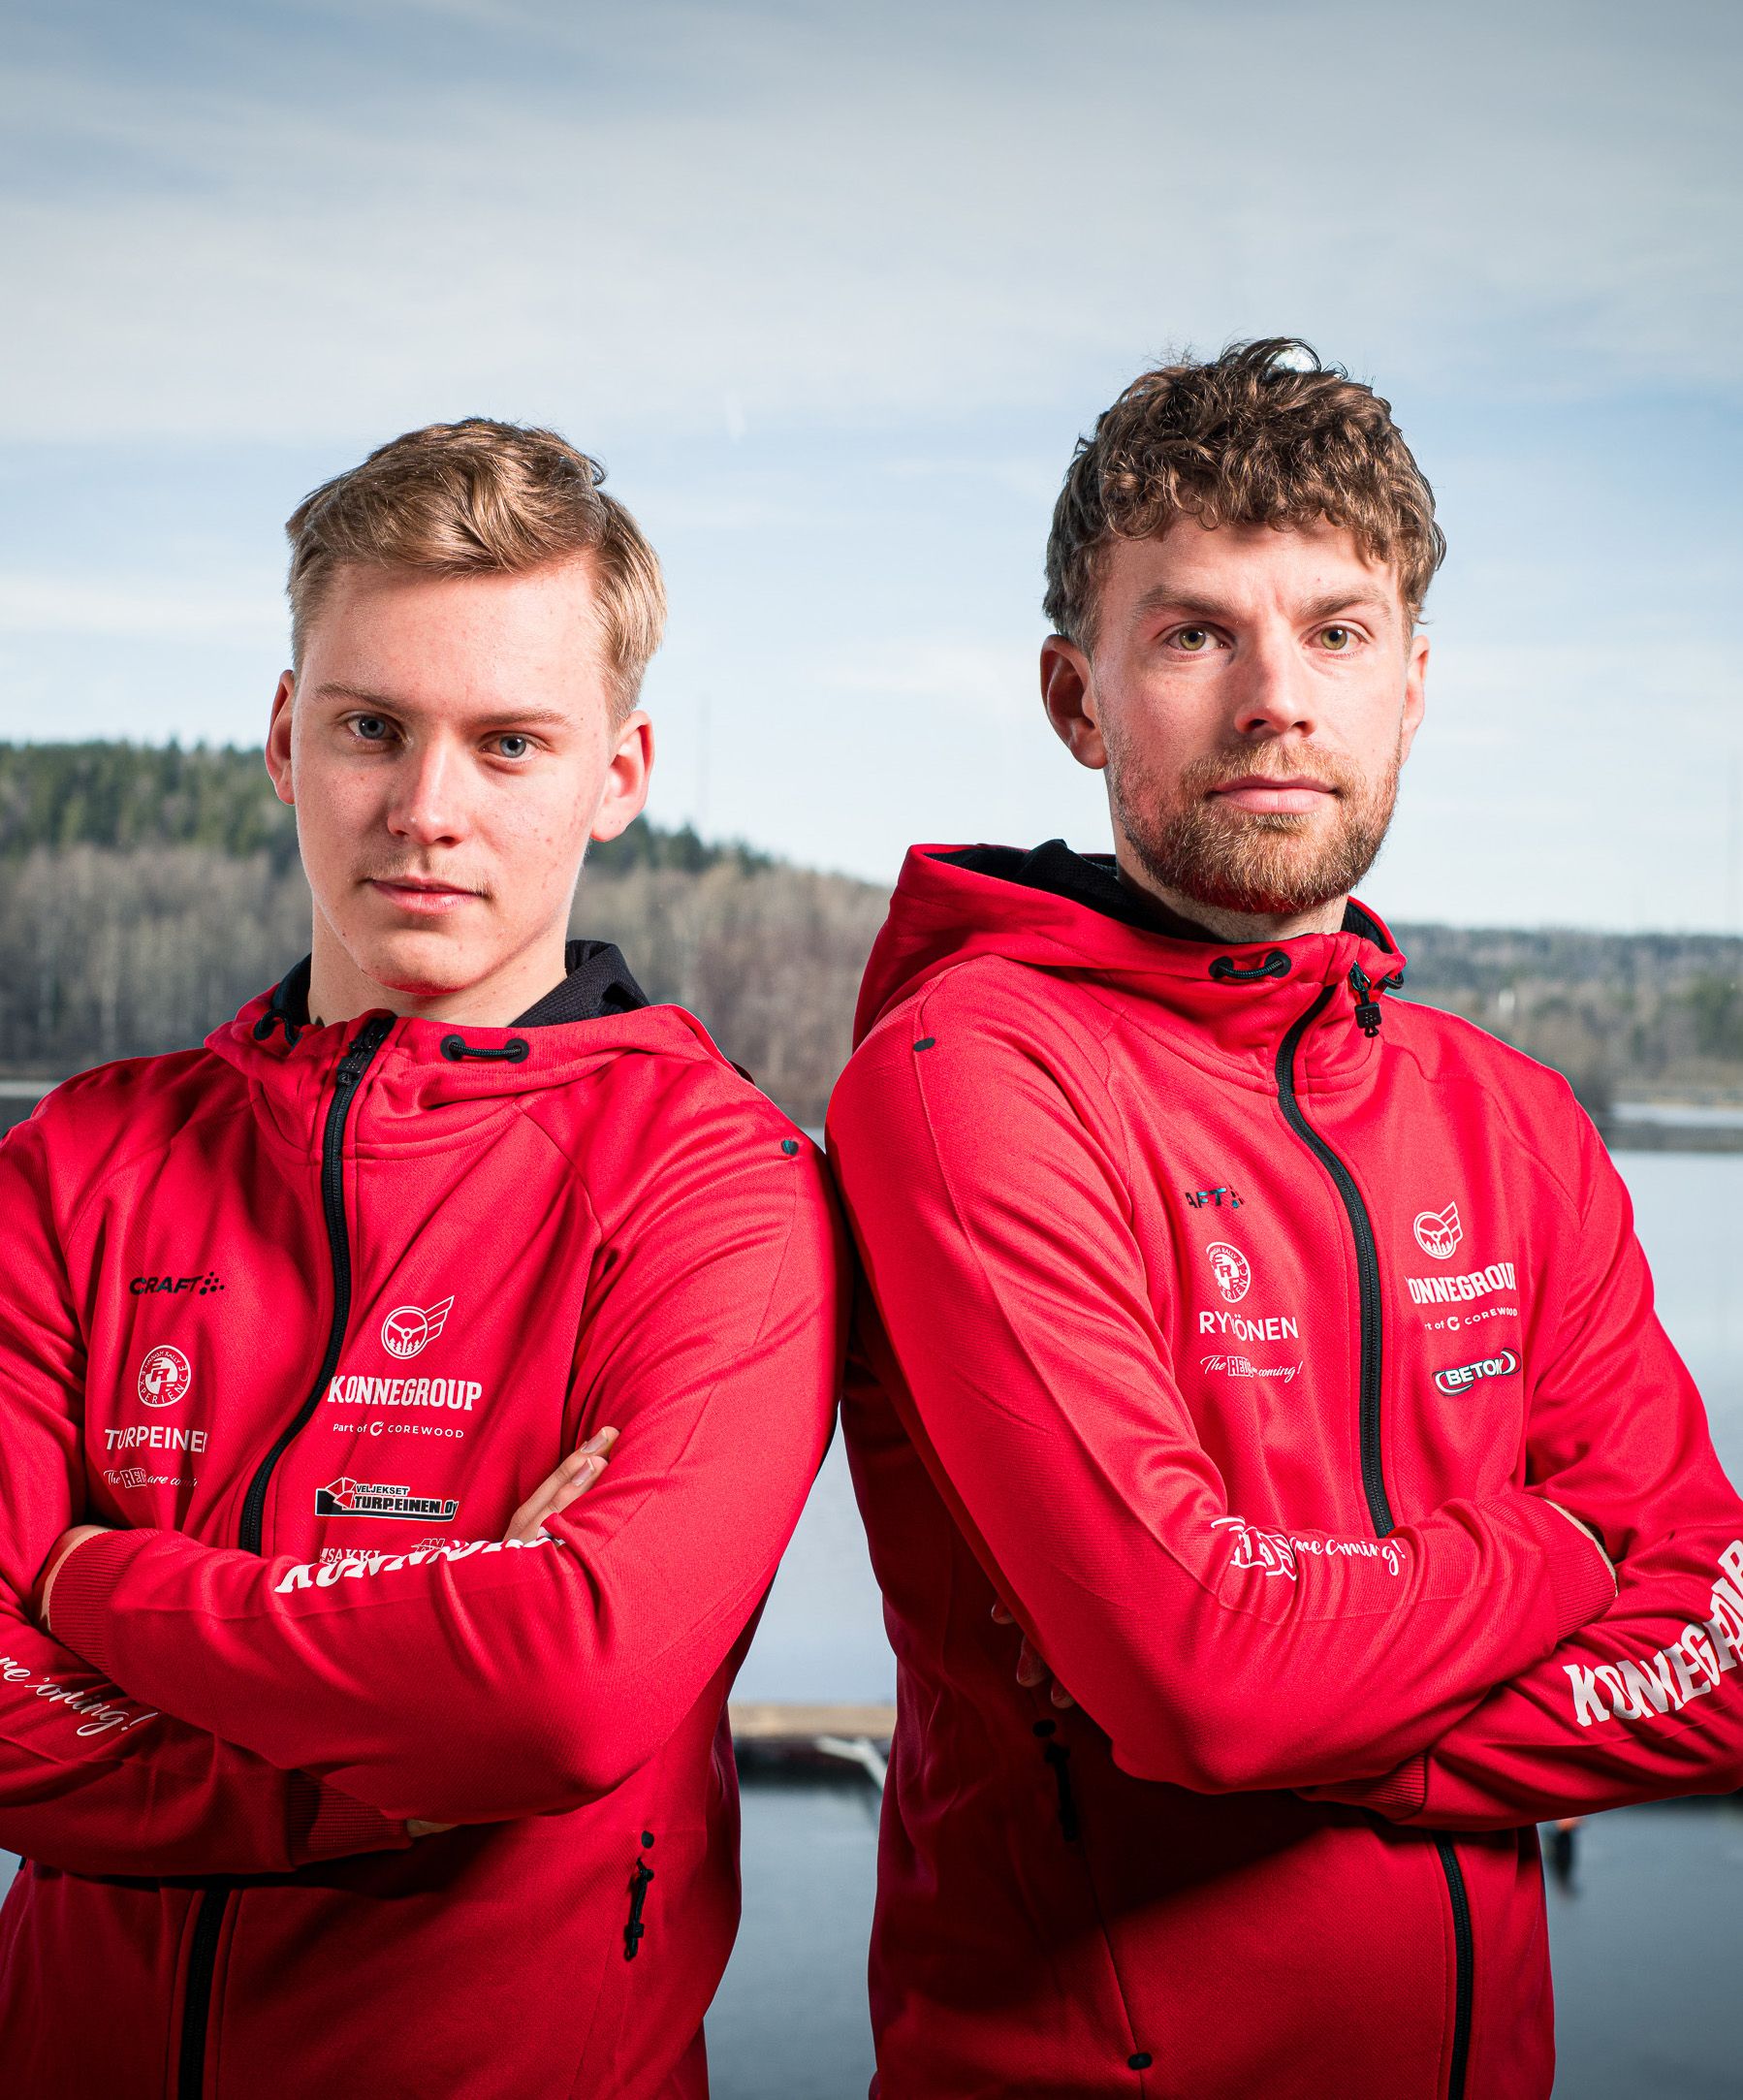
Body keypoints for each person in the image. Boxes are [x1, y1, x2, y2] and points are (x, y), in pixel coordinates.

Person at [827, 340, 1743, 2099]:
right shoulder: (967, 1079)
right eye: (1192, 632)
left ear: (1410, 683)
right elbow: (1201, 1687)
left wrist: (1348, 1733)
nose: (1275, 697)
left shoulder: (1506, 1113)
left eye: (1334, 629)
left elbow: (1711, 1647)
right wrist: (1554, 1557)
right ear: (1075, 698)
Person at [0, 421, 843, 2099]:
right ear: (282, 738)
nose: (424, 810)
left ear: (618, 773)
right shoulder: (77, 1158)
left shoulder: (717, 1191)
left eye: (508, 742)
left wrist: (92, 1583)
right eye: (370, 726)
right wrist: (393, 1732)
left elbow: (557, 1697)